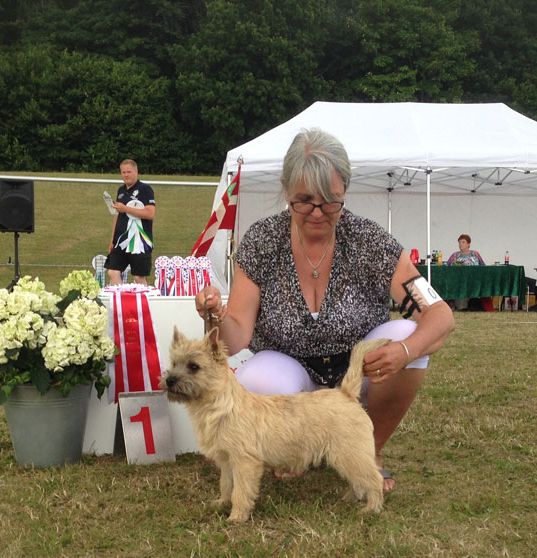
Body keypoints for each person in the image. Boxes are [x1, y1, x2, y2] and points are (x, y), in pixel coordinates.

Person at [195, 129, 454, 492]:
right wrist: (217, 317)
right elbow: (236, 336)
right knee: (256, 379)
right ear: (286, 192)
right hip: (291, 375)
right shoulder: (262, 241)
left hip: (355, 377)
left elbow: (440, 315)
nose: (318, 213)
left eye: (330, 202)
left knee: (406, 334)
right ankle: (293, 452)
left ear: (344, 192)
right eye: (304, 201)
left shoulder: (368, 240)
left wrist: (404, 352)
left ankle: (371, 453)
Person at [105, 159, 155, 285]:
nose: (126, 175)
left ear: (136, 172)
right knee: (113, 272)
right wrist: (112, 240)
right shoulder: (121, 190)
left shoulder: (145, 189)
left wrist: (126, 208)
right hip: (121, 240)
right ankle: (120, 300)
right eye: (123, 172)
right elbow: (117, 215)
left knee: (139, 278)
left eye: (129, 172)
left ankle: (142, 302)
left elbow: (150, 213)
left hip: (139, 242)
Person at [446, 234, 485, 310]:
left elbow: (483, 266)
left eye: (463, 242)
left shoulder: (475, 254)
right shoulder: (455, 255)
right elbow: (447, 266)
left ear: (468, 244)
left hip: (474, 281)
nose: (461, 244)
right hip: (459, 282)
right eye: (459, 242)